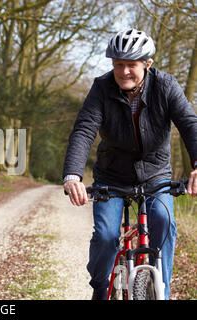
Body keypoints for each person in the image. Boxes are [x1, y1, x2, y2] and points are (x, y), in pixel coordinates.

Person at [62, 29, 197, 300]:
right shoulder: (101, 88)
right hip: (112, 176)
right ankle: (100, 288)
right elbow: (84, 129)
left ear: (147, 63)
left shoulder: (166, 86)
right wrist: (73, 174)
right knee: (107, 235)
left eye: (131, 65)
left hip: (156, 175)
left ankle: (163, 292)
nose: (124, 72)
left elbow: (189, 124)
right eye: (118, 65)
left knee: (163, 221)